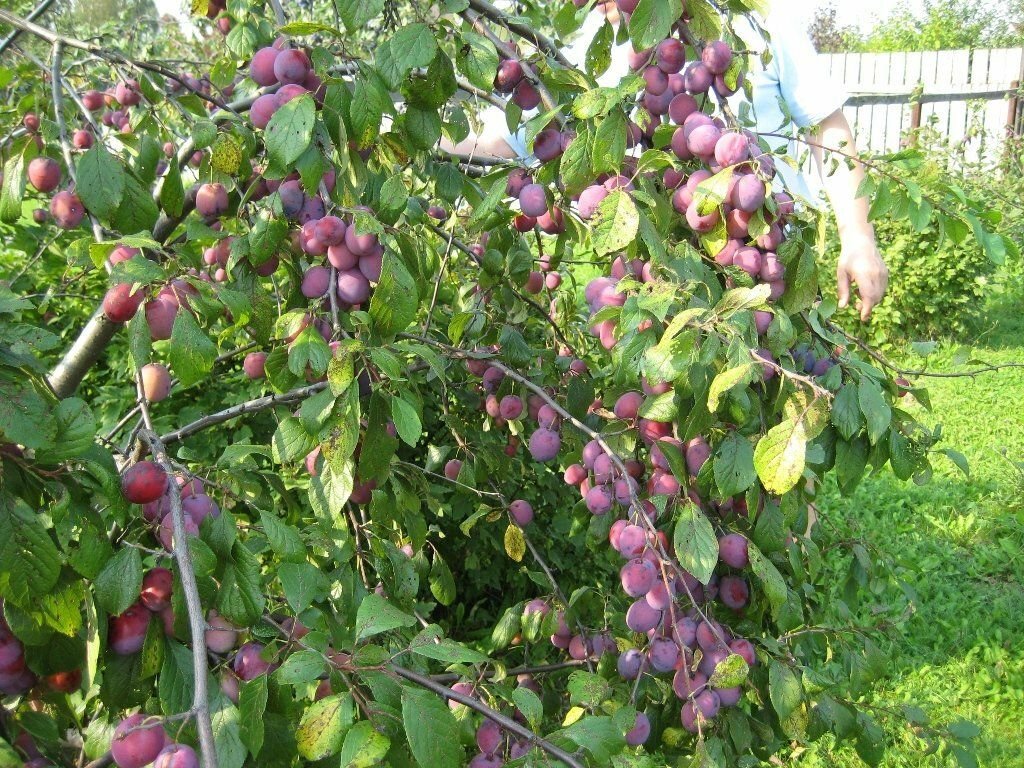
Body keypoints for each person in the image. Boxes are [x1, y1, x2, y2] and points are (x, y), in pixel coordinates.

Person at [448, 3, 889, 321]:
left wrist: (858, 236)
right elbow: (506, 142)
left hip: (767, 259)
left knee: (775, 386)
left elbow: (827, 127)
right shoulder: (594, 52)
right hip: (662, 282)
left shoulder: (758, 24)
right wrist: (419, 143)